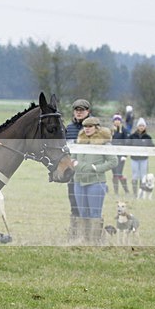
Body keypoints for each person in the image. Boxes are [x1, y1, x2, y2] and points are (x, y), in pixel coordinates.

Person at [72, 116, 118, 243]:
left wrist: (95, 168)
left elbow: (113, 161)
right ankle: (83, 240)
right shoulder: (79, 141)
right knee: (83, 213)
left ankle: (95, 241)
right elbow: (73, 158)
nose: (87, 129)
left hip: (96, 182)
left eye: (90, 126)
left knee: (94, 213)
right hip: (79, 181)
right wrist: (76, 164)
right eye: (85, 126)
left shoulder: (104, 142)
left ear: (96, 128)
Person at [64, 99, 92, 240]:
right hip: (72, 172)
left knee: (90, 203)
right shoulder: (68, 129)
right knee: (74, 202)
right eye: (77, 110)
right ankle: (74, 233)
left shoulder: (94, 129)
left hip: (89, 173)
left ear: (88, 112)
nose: (79, 112)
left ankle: (90, 234)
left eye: (82, 110)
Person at [128, 117, 154, 196]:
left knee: (143, 176)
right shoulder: (132, 136)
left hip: (144, 159)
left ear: (145, 127)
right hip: (134, 158)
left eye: (143, 126)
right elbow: (128, 145)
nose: (141, 127)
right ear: (137, 127)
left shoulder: (148, 137)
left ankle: (142, 192)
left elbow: (151, 146)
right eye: (140, 126)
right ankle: (135, 193)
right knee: (135, 175)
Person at [110, 113, 130, 195]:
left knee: (119, 173)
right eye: (115, 120)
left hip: (120, 155)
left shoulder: (124, 131)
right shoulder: (111, 131)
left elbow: (127, 143)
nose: (117, 122)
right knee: (114, 173)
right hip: (112, 155)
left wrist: (124, 155)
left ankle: (126, 191)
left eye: (118, 120)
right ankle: (116, 192)